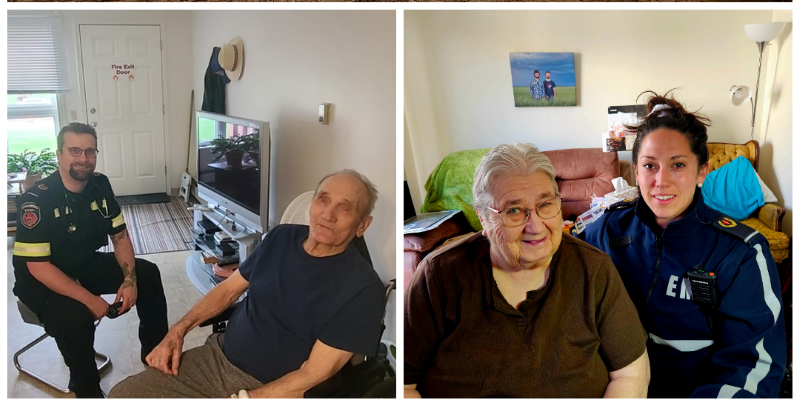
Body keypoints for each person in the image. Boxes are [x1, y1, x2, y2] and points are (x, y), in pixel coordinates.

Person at [110, 170, 385, 398]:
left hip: (271, 389)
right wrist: (177, 332)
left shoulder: (363, 289)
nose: (328, 214)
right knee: (124, 394)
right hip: (216, 358)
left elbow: (314, 373)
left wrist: (247, 399)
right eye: (323, 200)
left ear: (363, 225)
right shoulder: (280, 237)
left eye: (345, 208)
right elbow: (229, 290)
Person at [404, 143, 649, 398]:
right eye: (513, 211)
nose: (536, 226)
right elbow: (404, 385)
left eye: (545, 204)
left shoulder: (593, 269)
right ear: (483, 219)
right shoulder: (438, 277)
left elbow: (631, 373)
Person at [583, 92, 786, 397]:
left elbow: (754, 366)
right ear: (635, 171)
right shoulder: (608, 229)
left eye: (677, 165)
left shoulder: (740, 253)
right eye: (650, 166)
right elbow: (561, 265)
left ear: (702, 170)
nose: (661, 181)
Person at [12, 122, 168, 398]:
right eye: (74, 151)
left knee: (148, 273)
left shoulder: (100, 185)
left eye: (89, 151)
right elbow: (38, 266)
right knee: (75, 316)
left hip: (82, 263)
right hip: (40, 280)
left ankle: (155, 356)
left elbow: (120, 237)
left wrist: (130, 281)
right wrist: (89, 299)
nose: (83, 158)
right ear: (59, 155)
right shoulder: (38, 199)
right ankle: (86, 389)